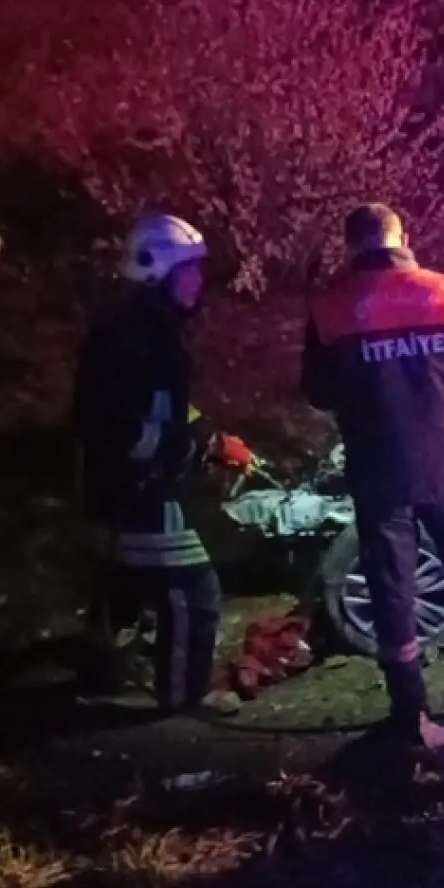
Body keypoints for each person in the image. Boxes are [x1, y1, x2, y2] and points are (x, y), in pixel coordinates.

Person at [302, 203, 444, 743]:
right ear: (402, 236)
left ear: (351, 245)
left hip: (379, 468)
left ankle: (410, 712)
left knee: (392, 586)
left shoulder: (331, 307)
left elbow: (319, 392)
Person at [72, 212, 252, 713]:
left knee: (127, 583)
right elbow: (120, 422)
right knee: (193, 591)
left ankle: (99, 669)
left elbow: (167, 407)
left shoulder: (145, 328)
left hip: (129, 483)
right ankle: (184, 696)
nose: (198, 281)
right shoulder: (136, 337)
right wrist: (190, 449)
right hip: (139, 487)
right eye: (188, 270)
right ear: (157, 271)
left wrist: (210, 436)